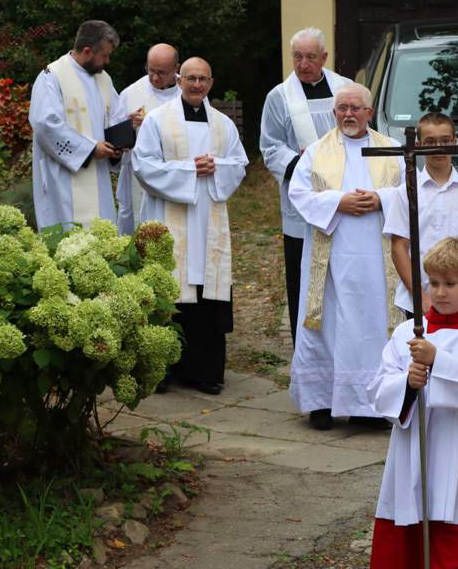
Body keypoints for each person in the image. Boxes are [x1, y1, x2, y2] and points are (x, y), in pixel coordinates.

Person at [368, 237, 458, 569]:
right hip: (410, 464)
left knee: (454, 554)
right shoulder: (408, 332)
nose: (440, 292)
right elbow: (377, 389)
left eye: (450, 283)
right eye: (433, 283)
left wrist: (439, 362)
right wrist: (407, 383)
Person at [288, 82, 404, 430]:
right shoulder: (316, 152)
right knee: (327, 324)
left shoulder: (391, 149)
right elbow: (299, 193)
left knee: (372, 324)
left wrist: (381, 199)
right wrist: (339, 201)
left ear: (370, 112)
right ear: (334, 112)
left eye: (356, 108)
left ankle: (369, 407)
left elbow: (409, 191)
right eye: (342, 108)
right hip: (331, 257)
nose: (348, 114)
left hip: (377, 257)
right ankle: (321, 403)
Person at [132, 57, 248, 395]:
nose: (197, 85)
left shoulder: (223, 125)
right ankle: (163, 370)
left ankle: (206, 371)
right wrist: (188, 171)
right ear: (179, 80)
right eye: (191, 78)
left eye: (203, 80)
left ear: (211, 83)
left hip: (208, 218)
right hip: (171, 216)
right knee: (171, 288)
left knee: (206, 294)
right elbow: (143, 164)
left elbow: (239, 164)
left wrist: (218, 165)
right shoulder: (156, 120)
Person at [260, 27, 352, 344]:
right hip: (303, 204)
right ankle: (306, 346)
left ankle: (342, 340)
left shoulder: (346, 90)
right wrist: (304, 165)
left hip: (344, 197)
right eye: (297, 57)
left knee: (341, 275)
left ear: (324, 58)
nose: (303, 64)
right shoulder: (279, 97)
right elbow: (270, 147)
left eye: (310, 57)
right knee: (303, 279)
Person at [383, 111, 458, 316]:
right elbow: (399, 247)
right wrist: (421, 297)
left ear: (455, 142)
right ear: (419, 146)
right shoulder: (405, 193)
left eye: (445, 140)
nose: (439, 147)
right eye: (431, 141)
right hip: (418, 300)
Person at [30, 20, 122, 231]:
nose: (107, 61)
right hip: (63, 179)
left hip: (98, 179)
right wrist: (90, 149)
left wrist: (120, 142)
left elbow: (115, 116)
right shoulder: (50, 76)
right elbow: (45, 124)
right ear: (88, 51)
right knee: (68, 240)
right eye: (104, 55)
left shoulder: (104, 80)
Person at [111, 43, 181, 235]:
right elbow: (114, 141)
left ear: (176, 69)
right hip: (138, 178)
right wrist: (129, 126)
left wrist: (153, 124)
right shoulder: (130, 93)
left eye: (162, 72)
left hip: (176, 176)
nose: (155, 78)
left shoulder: (188, 92)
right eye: (151, 71)